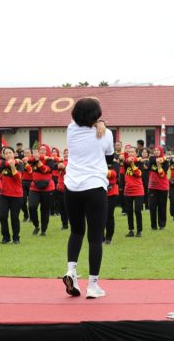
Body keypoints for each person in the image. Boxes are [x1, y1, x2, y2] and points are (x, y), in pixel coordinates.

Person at [62, 98, 114, 299]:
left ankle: (71, 271)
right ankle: (93, 285)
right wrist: (101, 126)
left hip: (71, 186)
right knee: (95, 238)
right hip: (94, 187)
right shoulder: (106, 134)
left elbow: (81, 121)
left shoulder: (70, 130)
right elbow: (109, 158)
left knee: (76, 232)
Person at [27, 145, 56, 236]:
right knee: (32, 207)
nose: (42, 151)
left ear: (47, 151)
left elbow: (45, 170)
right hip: (34, 187)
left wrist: (38, 161)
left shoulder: (50, 160)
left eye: (44, 150)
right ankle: (36, 225)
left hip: (48, 188)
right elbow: (27, 160)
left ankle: (43, 229)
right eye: (40, 150)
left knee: (45, 210)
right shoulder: (33, 159)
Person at [0, 147, 24, 244]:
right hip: (4, 194)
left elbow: (18, 177)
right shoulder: (2, 164)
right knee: (2, 216)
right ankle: (5, 237)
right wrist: (11, 162)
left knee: (14, 217)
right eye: (6, 153)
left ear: (14, 154)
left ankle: (16, 237)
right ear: (4, 155)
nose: (8, 154)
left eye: (10, 153)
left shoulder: (20, 165)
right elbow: (1, 164)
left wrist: (13, 166)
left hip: (16, 195)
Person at [123, 146, 145, 237]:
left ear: (136, 153)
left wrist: (133, 164)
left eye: (132, 152)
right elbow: (125, 160)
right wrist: (132, 161)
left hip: (138, 190)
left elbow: (138, 174)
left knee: (137, 210)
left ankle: (139, 231)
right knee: (129, 211)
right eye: (129, 152)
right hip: (128, 190)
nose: (130, 153)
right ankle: (131, 230)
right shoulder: (126, 162)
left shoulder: (140, 162)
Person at [147, 146, 169, 230]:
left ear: (161, 151)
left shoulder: (166, 162)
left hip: (163, 187)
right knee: (152, 206)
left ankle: (162, 224)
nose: (156, 151)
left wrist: (161, 162)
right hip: (152, 186)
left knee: (162, 206)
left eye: (158, 150)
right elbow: (151, 162)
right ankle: (153, 225)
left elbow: (163, 173)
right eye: (155, 150)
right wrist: (158, 160)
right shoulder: (152, 159)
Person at [103, 159, 120, 244]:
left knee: (109, 215)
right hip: (99, 192)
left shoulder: (115, 163)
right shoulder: (98, 161)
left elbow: (113, 174)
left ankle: (109, 237)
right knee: (99, 215)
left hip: (112, 193)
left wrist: (100, 171)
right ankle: (101, 237)